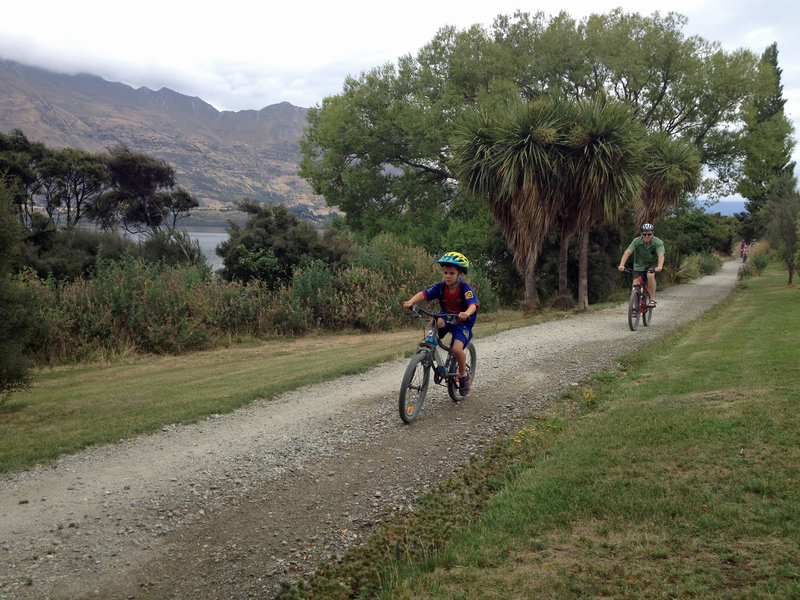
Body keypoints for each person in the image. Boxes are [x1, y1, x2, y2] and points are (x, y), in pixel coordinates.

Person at [403, 251, 479, 396]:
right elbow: (424, 294)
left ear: (461, 275)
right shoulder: (440, 287)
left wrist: (467, 313)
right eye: (445, 272)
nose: (447, 276)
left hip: (462, 323)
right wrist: (411, 301)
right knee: (434, 322)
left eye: (451, 273)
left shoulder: (465, 289)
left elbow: (473, 305)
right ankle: (430, 352)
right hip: (446, 318)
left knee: (457, 350)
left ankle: (463, 376)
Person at [618, 223, 665, 308]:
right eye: (644, 234)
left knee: (650, 275)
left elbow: (661, 255)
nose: (647, 236)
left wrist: (659, 266)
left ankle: (652, 299)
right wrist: (622, 265)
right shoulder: (636, 241)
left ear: (652, 234)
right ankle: (635, 307)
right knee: (635, 283)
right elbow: (627, 252)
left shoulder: (657, 242)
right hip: (639, 264)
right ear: (641, 234)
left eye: (649, 234)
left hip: (652, 263)